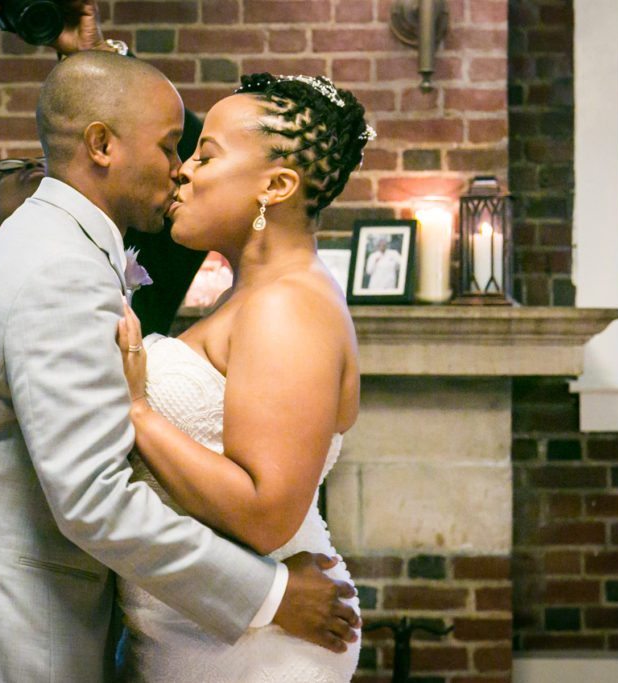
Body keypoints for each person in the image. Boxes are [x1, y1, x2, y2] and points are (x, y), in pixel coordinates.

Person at [0, 30, 359, 683]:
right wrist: (269, 594)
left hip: (183, 643)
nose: (179, 166)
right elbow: (92, 496)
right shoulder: (61, 267)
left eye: (196, 153)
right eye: (169, 147)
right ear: (102, 146)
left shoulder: (68, 249)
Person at [115, 73, 372, 680]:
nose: (183, 171)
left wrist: (135, 413)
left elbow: (265, 513)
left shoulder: (288, 307)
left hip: (258, 651)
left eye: (206, 155)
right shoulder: (249, 294)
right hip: (200, 631)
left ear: (276, 186)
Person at [0, 0, 207, 347]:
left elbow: (187, 157)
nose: (35, 169)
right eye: (11, 169)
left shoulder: (132, 276)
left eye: (45, 167)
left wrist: (98, 57)